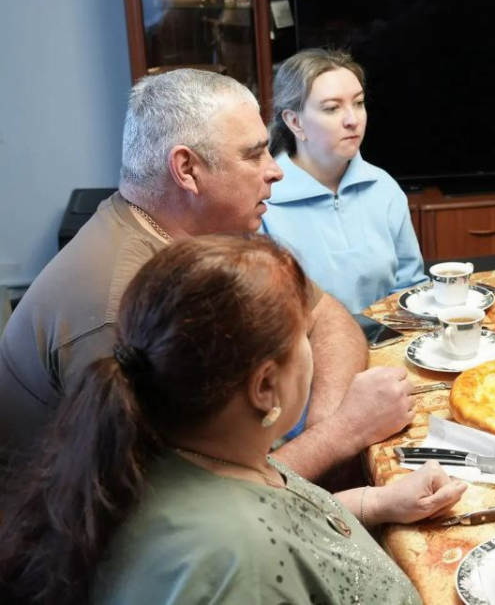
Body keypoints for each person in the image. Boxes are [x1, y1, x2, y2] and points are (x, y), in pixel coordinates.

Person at [0, 235, 466, 605]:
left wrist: (375, 502)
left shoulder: (195, 453)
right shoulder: (236, 562)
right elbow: (261, 545)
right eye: (304, 335)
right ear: (265, 386)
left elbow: (285, 516)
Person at [0, 69, 414, 482]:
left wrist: (326, 421)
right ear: (187, 169)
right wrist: (342, 434)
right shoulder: (119, 306)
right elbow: (184, 503)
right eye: (254, 155)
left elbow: (327, 315)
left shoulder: (208, 229)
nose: (276, 170)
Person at [261, 48, 427, 314]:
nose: (353, 120)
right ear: (295, 121)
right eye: (332, 108)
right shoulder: (263, 201)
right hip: (303, 340)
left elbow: (411, 291)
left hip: (387, 335)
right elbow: (262, 314)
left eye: (358, 103)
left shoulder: (384, 188)